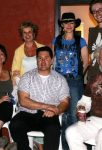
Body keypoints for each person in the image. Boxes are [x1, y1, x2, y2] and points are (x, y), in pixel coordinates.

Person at [9, 46, 70, 150]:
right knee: (15, 124)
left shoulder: (60, 79)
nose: (43, 61)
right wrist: (48, 106)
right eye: (40, 58)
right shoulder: (27, 77)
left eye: (46, 58)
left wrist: (56, 110)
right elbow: (23, 101)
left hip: (49, 115)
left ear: (52, 60)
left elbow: (65, 101)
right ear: (36, 60)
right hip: (27, 113)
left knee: (53, 129)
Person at [52, 12, 89, 150]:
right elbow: (52, 61)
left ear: (75, 25)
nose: (68, 25)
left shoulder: (81, 41)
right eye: (65, 22)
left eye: (71, 22)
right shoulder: (56, 41)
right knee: (61, 115)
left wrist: (79, 75)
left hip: (75, 82)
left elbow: (86, 61)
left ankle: (77, 146)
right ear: (61, 25)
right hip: (59, 81)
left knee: (74, 114)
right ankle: (64, 147)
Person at [11, 21, 44, 149]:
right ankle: (32, 144)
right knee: (26, 115)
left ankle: (39, 143)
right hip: (25, 88)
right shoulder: (18, 51)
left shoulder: (42, 48)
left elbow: (49, 68)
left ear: (34, 33)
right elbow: (15, 73)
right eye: (24, 33)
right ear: (22, 35)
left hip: (42, 87)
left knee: (41, 113)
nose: (27, 35)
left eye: (29, 32)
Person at [66, 73, 102, 150]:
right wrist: (81, 107)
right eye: (100, 60)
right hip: (95, 120)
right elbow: (85, 100)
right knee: (71, 132)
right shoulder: (95, 79)